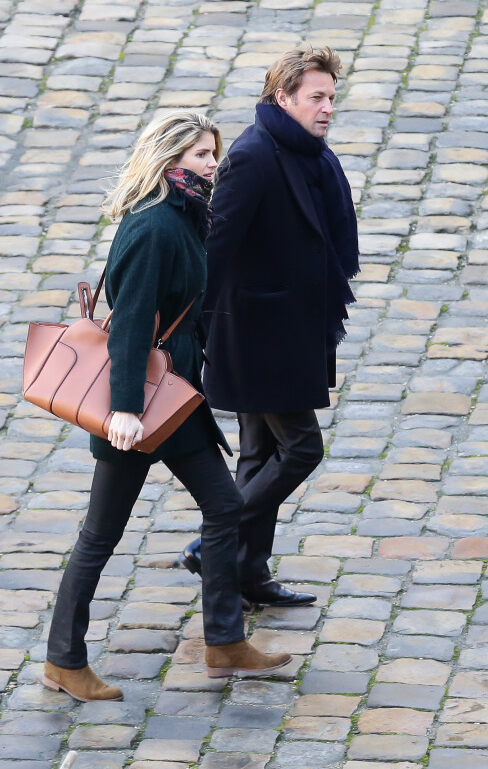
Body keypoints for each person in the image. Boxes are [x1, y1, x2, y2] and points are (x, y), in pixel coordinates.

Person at [43, 111, 291, 702]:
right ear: (170, 159)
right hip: (140, 406)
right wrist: (123, 409)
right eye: (203, 155)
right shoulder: (155, 227)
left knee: (225, 505)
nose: (213, 164)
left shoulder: (185, 214)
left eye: (213, 153)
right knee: (100, 536)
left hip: (173, 398)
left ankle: (225, 640)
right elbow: (130, 322)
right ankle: (63, 661)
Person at [181, 46, 359, 607]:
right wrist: (197, 326)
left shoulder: (309, 153)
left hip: (290, 328)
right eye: (317, 97)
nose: (327, 108)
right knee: (302, 450)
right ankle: (211, 544)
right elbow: (215, 249)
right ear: (282, 97)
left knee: (258, 454)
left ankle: (246, 574)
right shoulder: (255, 156)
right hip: (258, 336)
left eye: (331, 97)